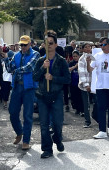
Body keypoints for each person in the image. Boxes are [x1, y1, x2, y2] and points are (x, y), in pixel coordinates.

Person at [33, 30, 70, 159]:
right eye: (46, 43)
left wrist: (53, 77)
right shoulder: (40, 61)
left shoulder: (62, 61)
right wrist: (43, 68)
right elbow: (35, 77)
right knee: (43, 124)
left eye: (51, 43)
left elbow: (67, 79)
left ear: (55, 45)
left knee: (57, 123)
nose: (48, 45)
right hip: (43, 96)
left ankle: (57, 138)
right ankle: (47, 149)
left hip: (56, 96)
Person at [4, 35, 40, 150]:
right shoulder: (16, 55)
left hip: (29, 88)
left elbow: (29, 67)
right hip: (17, 87)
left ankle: (26, 140)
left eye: (25, 45)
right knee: (12, 112)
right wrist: (5, 57)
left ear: (30, 44)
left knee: (27, 115)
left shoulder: (35, 54)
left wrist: (16, 69)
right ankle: (19, 132)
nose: (23, 47)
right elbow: (10, 69)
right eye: (21, 45)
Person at [78, 43, 94, 128]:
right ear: (83, 49)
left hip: (94, 84)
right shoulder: (81, 59)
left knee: (96, 102)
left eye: (89, 47)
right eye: (86, 47)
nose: (88, 48)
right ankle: (87, 121)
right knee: (86, 104)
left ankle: (96, 116)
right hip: (85, 85)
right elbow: (82, 73)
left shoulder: (94, 57)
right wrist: (86, 85)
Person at [69, 51, 83, 116]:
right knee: (74, 97)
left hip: (80, 82)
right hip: (73, 83)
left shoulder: (82, 62)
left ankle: (82, 110)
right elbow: (68, 70)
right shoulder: (71, 63)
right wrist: (75, 66)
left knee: (80, 97)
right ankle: (77, 109)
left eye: (76, 56)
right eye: (74, 56)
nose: (75, 58)